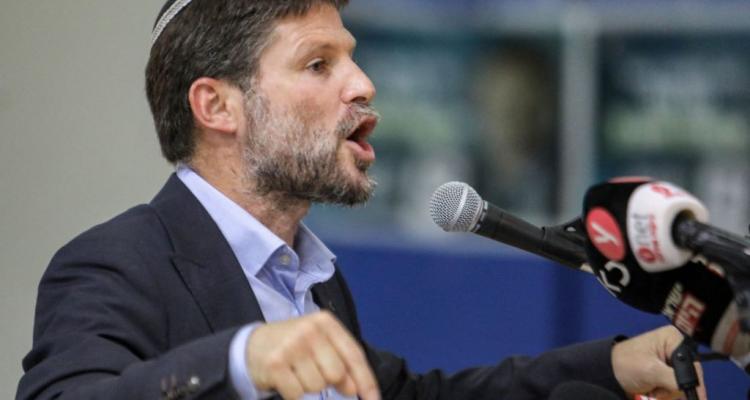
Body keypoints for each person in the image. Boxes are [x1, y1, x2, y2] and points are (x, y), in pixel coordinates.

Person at [17, 1, 706, 399]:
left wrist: (611, 367)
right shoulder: (117, 262)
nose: (363, 84)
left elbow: (413, 397)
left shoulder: (312, 278)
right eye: (319, 64)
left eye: (351, 56)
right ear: (217, 106)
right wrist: (240, 361)